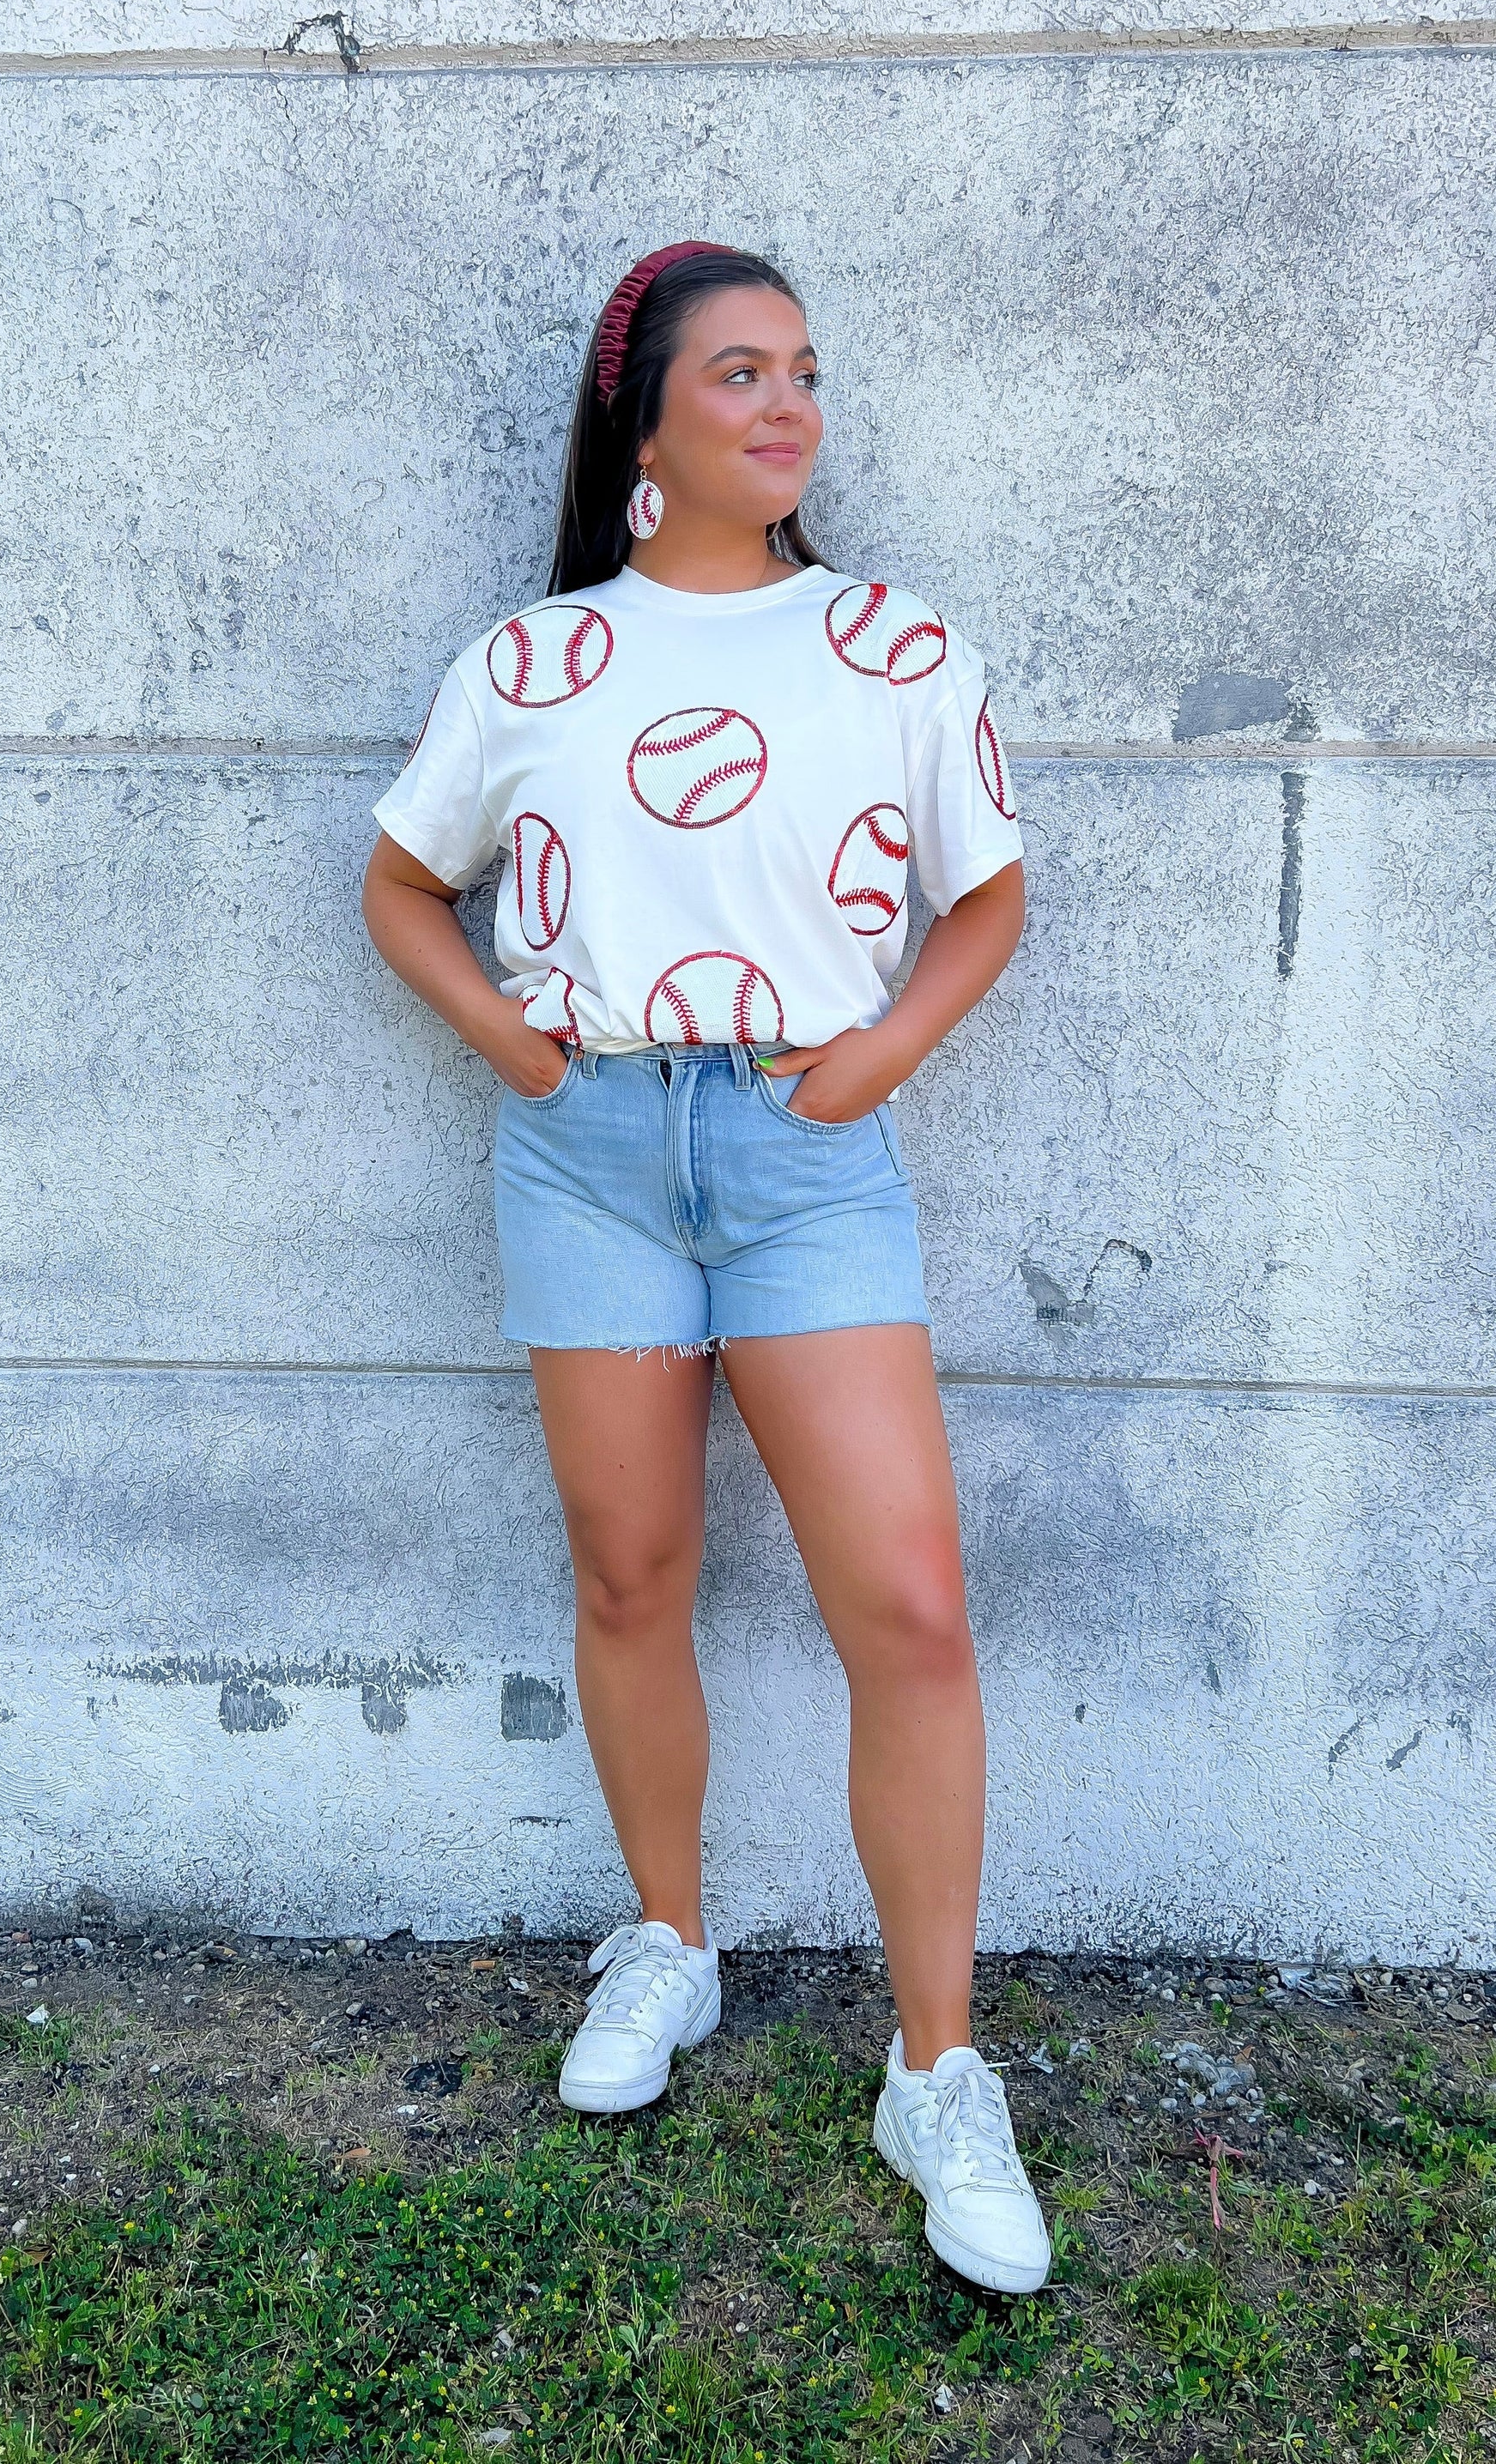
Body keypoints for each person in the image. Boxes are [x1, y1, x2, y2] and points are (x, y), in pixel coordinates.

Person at [360, 241, 1047, 2295]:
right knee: (630, 1574)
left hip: (802, 1149)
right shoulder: (533, 664)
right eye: (739, 374)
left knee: (908, 1608)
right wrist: (511, 1041)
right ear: (639, 425)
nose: (787, 407)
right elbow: (403, 886)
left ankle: (937, 2068)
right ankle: (666, 1944)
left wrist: (874, 1065)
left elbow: (986, 903)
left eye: (806, 374)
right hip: (585, 1155)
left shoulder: (894, 650)